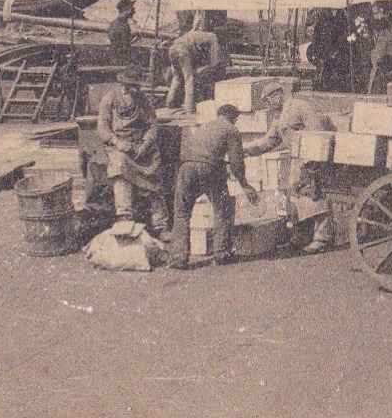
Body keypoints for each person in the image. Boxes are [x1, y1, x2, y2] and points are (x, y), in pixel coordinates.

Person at [243, 86, 336, 254]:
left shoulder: (299, 106)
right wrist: (246, 150)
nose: (268, 103)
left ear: (278, 94)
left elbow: (317, 131)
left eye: (269, 99)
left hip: (309, 159)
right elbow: (268, 141)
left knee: (314, 198)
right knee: (294, 199)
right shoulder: (279, 117)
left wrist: (312, 160)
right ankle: (299, 237)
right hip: (296, 161)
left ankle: (323, 238)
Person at [169, 103, 255, 270]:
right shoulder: (231, 130)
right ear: (234, 117)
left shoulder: (205, 127)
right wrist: (245, 186)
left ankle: (178, 258)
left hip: (186, 168)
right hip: (210, 168)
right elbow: (237, 164)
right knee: (222, 209)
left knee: (181, 212)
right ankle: (221, 253)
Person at [96, 68, 171, 240]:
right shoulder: (110, 99)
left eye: (137, 86)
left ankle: (161, 225)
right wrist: (117, 142)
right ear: (123, 84)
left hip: (141, 146)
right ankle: (125, 218)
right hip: (120, 146)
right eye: (130, 86)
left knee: (154, 168)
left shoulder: (143, 100)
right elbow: (102, 128)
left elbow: (153, 125)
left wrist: (146, 143)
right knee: (120, 168)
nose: (134, 90)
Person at [166, 11, 227, 113]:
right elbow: (215, 58)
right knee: (189, 80)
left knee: (177, 76)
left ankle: (170, 102)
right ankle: (189, 109)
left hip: (173, 50)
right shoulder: (212, 36)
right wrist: (216, 67)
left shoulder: (192, 33)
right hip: (182, 51)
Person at [105, 0, 137, 65]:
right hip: (121, 60)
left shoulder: (114, 23)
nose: (134, 12)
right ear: (126, 10)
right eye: (132, 9)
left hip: (114, 58)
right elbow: (124, 46)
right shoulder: (123, 25)